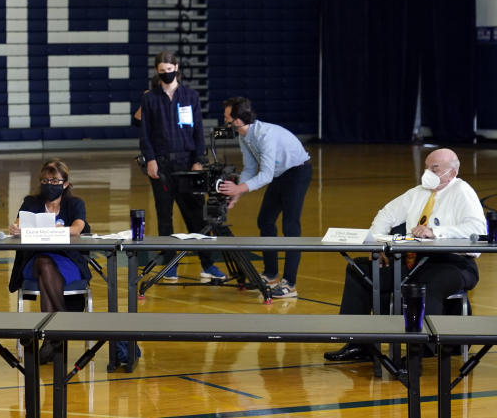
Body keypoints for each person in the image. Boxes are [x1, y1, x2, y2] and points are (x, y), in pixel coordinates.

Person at [324, 148, 486, 362]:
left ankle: (420, 351)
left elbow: (477, 230)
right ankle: (360, 344)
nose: (427, 172)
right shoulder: (417, 192)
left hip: (452, 263)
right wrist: (377, 243)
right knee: (360, 270)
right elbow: (387, 214)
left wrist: (436, 232)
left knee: (426, 286)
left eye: (434, 168)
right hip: (414, 261)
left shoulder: (462, 192)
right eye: (426, 167)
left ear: (452, 173)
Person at [139, 51, 226, 284]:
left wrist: (199, 159)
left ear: (176, 68)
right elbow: (144, 132)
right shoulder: (150, 99)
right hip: (162, 164)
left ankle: (208, 264)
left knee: (196, 215)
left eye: (170, 70)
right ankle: (170, 266)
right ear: (157, 72)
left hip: (188, 163)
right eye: (162, 72)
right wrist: (150, 159)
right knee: (164, 217)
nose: (167, 75)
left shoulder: (191, 96)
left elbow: (198, 129)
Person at [217, 96, 312, 298]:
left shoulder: (264, 135)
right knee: (265, 220)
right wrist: (237, 194)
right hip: (279, 174)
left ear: (237, 120)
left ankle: (290, 284)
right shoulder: (244, 136)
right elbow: (251, 168)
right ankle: (270, 274)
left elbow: (266, 175)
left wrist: (239, 188)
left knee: (290, 225)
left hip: (297, 172)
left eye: (227, 116)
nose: (224, 119)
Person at [7, 159, 90, 364]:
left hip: (66, 260)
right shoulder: (31, 202)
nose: (49, 185)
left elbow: (78, 227)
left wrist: (60, 229)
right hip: (34, 260)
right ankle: (60, 329)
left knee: (47, 267)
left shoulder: (74, 203)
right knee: (43, 262)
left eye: (54, 181)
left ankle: (50, 337)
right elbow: (18, 223)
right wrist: (16, 228)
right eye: (45, 181)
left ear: (65, 184)